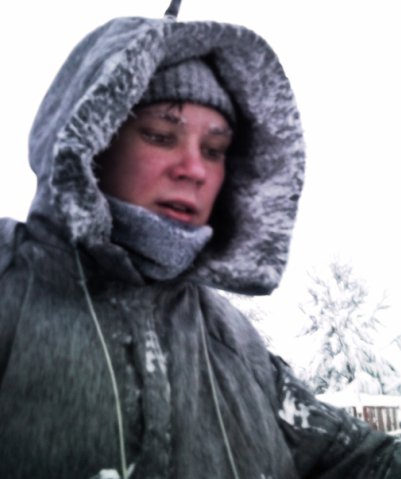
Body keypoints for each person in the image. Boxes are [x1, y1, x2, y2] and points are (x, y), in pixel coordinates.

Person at [0, 1, 400, 478]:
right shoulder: (9, 283)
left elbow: (356, 458)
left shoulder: (235, 344)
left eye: (214, 149)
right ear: (93, 139)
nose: (194, 169)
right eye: (160, 135)